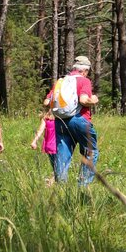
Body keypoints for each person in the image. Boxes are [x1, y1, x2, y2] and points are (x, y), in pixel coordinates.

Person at [45, 55, 99, 185]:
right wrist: (94, 100)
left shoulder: (61, 81)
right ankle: (83, 185)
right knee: (91, 151)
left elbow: (47, 102)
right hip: (79, 120)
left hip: (60, 121)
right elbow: (83, 100)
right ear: (85, 71)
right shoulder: (84, 81)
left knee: (62, 155)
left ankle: (61, 187)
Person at [29, 109, 58, 185]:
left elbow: (40, 131)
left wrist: (34, 141)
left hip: (48, 146)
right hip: (57, 146)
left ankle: (53, 182)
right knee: (58, 167)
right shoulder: (60, 119)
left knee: (55, 166)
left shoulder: (45, 119)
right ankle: (52, 182)